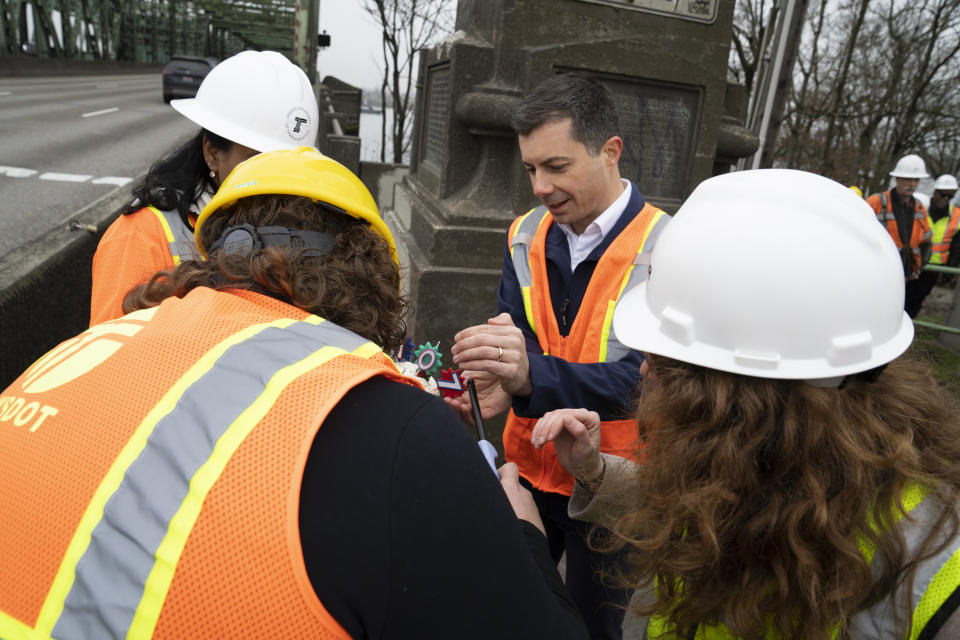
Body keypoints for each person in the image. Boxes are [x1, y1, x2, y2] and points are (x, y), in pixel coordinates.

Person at [0, 148, 589, 640]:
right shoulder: (402, 430)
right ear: (375, 275)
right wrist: (527, 538)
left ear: (216, 255)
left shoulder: (74, 352)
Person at [526, 169, 960, 639]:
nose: (644, 374)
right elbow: (706, 505)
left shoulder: (938, 579)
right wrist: (594, 471)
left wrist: (530, 555)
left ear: (742, 399)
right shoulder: (767, 458)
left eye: (667, 364)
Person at [449, 72, 670, 640]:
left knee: (597, 625)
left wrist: (529, 377)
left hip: (612, 481)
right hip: (527, 465)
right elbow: (519, 332)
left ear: (610, 151)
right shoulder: (524, 232)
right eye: (531, 169)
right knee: (513, 610)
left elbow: (646, 383)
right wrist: (501, 371)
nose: (541, 186)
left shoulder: (666, 249)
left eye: (557, 166)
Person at [89, 50, 320, 325]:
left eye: (288, 166)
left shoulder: (308, 232)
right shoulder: (140, 237)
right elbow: (110, 353)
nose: (275, 180)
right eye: (256, 161)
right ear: (212, 153)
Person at [865, 153, 933, 318]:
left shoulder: (918, 207)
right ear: (897, 179)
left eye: (916, 180)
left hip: (905, 275)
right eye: (907, 179)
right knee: (873, 311)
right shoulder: (877, 201)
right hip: (878, 273)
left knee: (896, 314)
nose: (912, 184)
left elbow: (926, 239)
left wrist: (919, 266)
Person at [929, 174, 960, 270]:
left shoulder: (957, 216)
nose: (946, 199)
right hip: (913, 261)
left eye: (950, 196)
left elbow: (957, 247)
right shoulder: (920, 207)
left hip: (937, 266)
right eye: (943, 195)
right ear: (935, 192)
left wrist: (951, 267)